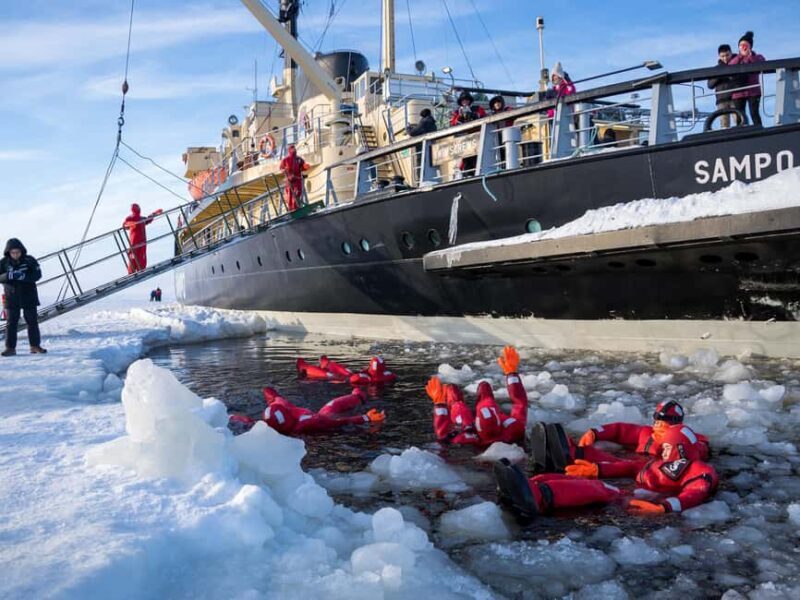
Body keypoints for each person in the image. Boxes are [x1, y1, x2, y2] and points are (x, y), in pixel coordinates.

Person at [495, 424, 718, 520]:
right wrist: (598, 469)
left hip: (640, 501)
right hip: (636, 493)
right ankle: (537, 480)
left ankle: (538, 496)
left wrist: (665, 507)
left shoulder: (699, 469)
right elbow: (631, 466)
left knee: (599, 489)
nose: (664, 450)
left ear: (681, 448)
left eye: (668, 447)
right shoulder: (659, 462)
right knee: (585, 476)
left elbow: (696, 491)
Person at [427, 346, 528, 446]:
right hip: (497, 428)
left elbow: (443, 434)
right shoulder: (513, 428)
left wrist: (439, 404)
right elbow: (520, 402)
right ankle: (484, 399)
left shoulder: (466, 438)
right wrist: (512, 374)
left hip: (468, 427)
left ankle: (454, 402)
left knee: (456, 403)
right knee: (485, 389)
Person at [229, 386, 385, 435]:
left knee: (274, 396)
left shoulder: (307, 422)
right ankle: (357, 396)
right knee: (332, 406)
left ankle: (357, 396)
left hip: (300, 413)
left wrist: (365, 418)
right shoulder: (305, 423)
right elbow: (336, 422)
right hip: (298, 413)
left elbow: (336, 422)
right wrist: (366, 418)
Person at [1, 238, 46, 356]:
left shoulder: (30, 260)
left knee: (32, 321)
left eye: (18, 252)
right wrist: (8, 276)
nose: (16, 254)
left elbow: (37, 275)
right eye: (13, 252)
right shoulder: (3, 263)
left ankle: (35, 346)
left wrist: (24, 276)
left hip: (29, 295)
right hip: (11, 296)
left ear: (21, 251)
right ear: (8, 252)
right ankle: (10, 348)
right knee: (11, 323)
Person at [728, 31, 765, 126]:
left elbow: (762, 64)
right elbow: (729, 67)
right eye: (741, 45)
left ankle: (759, 130)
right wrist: (740, 57)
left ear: (750, 46)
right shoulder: (735, 59)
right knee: (740, 115)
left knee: (754, 113)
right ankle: (740, 132)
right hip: (738, 91)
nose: (743, 47)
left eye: (745, 45)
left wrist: (749, 57)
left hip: (753, 91)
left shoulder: (757, 57)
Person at [122, 203, 162, 274]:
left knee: (140, 258)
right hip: (135, 242)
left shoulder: (141, 218)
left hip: (141, 242)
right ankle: (132, 272)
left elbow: (148, 219)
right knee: (134, 258)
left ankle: (139, 271)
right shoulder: (131, 218)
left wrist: (155, 213)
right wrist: (131, 224)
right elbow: (125, 225)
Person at [708, 44, 737, 128]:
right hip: (721, 100)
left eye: (727, 55)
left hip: (735, 98)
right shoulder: (716, 69)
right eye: (722, 56)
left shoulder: (737, 64)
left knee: (739, 122)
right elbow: (710, 85)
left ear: (731, 53)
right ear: (719, 56)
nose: (725, 58)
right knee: (724, 125)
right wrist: (719, 75)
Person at [279, 144, 310, 212]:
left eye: (294, 148)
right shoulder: (285, 160)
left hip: (297, 179)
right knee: (290, 195)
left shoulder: (299, 159)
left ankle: (296, 207)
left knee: (298, 192)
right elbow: (281, 168)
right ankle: (291, 209)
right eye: (292, 148)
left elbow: (302, 167)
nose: (294, 150)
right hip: (289, 181)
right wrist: (284, 170)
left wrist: (305, 167)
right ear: (289, 150)